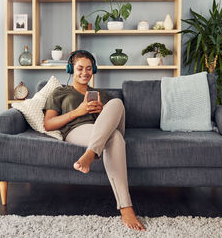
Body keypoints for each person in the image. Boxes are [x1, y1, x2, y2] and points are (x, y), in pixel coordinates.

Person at [43, 50, 146, 231]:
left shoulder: (100, 94)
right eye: (80, 68)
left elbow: (113, 119)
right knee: (115, 139)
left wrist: (101, 110)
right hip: (77, 130)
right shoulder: (60, 92)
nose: (85, 73)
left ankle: (91, 153)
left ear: (94, 70)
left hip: (101, 130)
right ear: (70, 69)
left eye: (89, 69)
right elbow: (49, 124)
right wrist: (78, 111)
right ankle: (126, 208)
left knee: (116, 103)